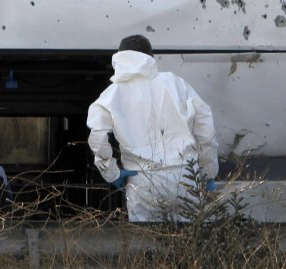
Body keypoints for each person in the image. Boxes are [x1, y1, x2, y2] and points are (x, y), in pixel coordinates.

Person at [86, 34, 219, 222]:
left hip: (143, 181)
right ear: (151, 57)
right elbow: (205, 127)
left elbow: (98, 137)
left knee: (147, 245)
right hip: (186, 175)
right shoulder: (177, 84)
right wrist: (208, 171)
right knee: (191, 243)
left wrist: (111, 172)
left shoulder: (110, 95)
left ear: (120, 58)